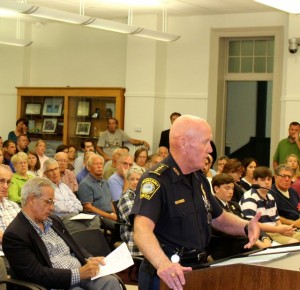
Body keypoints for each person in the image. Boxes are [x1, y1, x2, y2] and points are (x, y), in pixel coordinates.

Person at [130, 115, 260, 290]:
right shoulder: (156, 180)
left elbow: (218, 218)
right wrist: (163, 264)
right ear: (183, 142)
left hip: (197, 270)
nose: (210, 150)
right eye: (205, 142)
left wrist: (246, 226)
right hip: (167, 276)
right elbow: (141, 229)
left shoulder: (198, 178)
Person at [2, 177, 121, 289]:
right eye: (48, 201)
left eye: (52, 202)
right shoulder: (15, 234)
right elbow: (35, 274)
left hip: (79, 272)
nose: (52, 207)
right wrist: (78, 274)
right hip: (54, 283)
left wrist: (89, 259)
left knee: (110, 281)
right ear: (32, 199)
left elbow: (73, 245)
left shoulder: (53, 220)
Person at [208, 173, 271, 260]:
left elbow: (249, 223)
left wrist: (264, 237)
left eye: (232, 188)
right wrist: (256, 241)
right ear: (216, 189)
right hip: (225, 247)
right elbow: (226, 232)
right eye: (227, 188)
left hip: (242, 245)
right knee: (259, 253)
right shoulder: (212, 207)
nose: (231, 192)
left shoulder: (234, 205)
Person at [240, 166, 300, 244]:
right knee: (294, 243)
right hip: (264, 233)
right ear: (254, 181)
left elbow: (277, 221)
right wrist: (279, 230)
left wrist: (285, 229)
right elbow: (251, 224)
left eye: (269, 179)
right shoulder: (249, 197)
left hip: (276, 231)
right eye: (263, 180)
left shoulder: (270, 197)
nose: (267, 182)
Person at [77, 155, 118, 222]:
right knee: (119, 228)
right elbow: (88, 207)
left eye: (101, 164)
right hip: (98, 218)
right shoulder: (85, 184)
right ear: (89, 168)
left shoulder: (105, 182)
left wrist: (115, 215)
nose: (99, 166)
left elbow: (109, 202)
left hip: (110, 215)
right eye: (96, 164)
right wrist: (109, 216)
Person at [117, 167, 145, 256]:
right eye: (132, 179)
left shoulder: (145, 194)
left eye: (138, 179)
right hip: (131, 231)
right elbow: (133, 219)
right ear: (128, 181)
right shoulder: (126, 197)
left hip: (146, 226)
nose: (135, 182)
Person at [0, 164, 21, 249]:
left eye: (8, 182)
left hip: (18, 252)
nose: (5, 186)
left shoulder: (14, 206)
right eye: (1, 181)